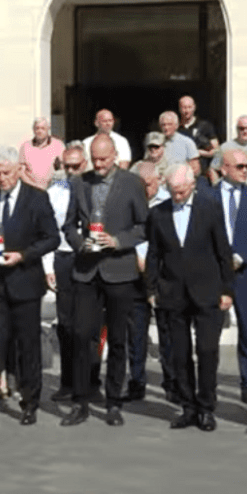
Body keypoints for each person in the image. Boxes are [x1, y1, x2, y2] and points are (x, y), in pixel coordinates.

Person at [0, 146, 58, 429]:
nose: (2, 178)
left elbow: (51, 238)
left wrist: (24, 255)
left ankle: (30, 402)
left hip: (25, 284)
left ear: (18, 169)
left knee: (27, 347)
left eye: (6, 172)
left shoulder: (37, 199)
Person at [60, 134, 148, 427]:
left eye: (103, 159)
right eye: (94, 159)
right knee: (82, 335)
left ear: (114, 155)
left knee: (119, 339)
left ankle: (113, 402)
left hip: (119, 270)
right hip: (87, 270)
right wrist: (79, 242)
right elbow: (69, 225)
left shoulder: (132, 183)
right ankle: (81, 400)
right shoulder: (79, 183)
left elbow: (144, 226)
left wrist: (118, 240)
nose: (98, 165)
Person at [146, 164, 233, 432]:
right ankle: (188, 407)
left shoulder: (209, 207)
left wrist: (228, 290)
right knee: (179, 355)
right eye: (173, 192)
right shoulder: (158, 213)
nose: (178, 196)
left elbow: (223, 251)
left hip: (207, 292)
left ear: (192, 185)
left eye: (182, 191)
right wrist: (150, 290)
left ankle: (206, 407)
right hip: (173, 294)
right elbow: (153, 255)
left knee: (207, 351)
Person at [201, 150, 247, 405]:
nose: (244, 170)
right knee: (211, 331)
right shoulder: (207, 195)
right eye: (239, 166)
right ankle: (208, 386)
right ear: (224, 168)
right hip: (215, 273)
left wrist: (241, 257)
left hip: (246, 272)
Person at [43, 146, 86, 402]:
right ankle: (68, 382)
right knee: (66, 325)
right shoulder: (54, 193)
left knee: (89, 326)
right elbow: (48, 232)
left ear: (85, 163)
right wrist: (48, 267)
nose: (70, 171)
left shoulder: (96, 190)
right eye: (66, 166)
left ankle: (90, 382)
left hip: (89, 259)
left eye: (75, 166)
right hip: (63, 258)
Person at [128, 160, 172, 402]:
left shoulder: (168, 202)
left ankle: (172, 383)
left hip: (163, 276)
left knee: (167, 332)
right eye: (141, 185)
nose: (146, 189)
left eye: (150, 184)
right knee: (135, 334)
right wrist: (136, 257)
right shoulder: (129, 201)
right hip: (135, 274)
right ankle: (136, 383)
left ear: (159, 181)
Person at [18, 117, 65, 190]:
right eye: (37, 128)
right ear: (33, 130)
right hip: (31, 189)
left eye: (43, 128)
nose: (39, 131)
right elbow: (21, 171)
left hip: (53, 189)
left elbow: (64, 168)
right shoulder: (25, 147)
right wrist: (35, 186)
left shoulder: (58, 145)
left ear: (48, 129)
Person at [177, 95, 220, 171]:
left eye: (189, 107)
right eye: (184, 107)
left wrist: (200, 153)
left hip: (202, 172)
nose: (187, 111)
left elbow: (217, 150)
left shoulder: (205, 126)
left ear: (194, 107)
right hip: (182, 172)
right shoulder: (176, 128)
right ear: (179, 109)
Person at [159, 111, 201, 177]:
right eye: (163, 125)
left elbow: (196, 170)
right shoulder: (156, 143)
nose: (166, 128)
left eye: (169, 124)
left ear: (176, 125)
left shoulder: (187, 142)